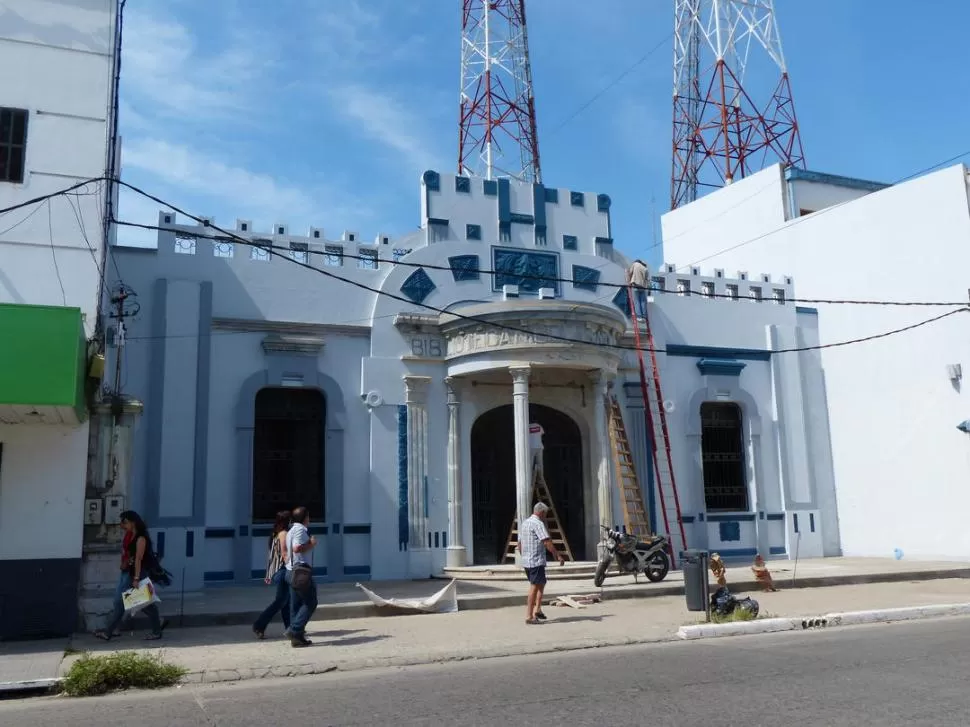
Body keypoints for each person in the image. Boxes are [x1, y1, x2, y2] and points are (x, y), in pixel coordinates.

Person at [93, 510, 167, 641]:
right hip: (127, 572)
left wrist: (136, 579)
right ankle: (156, 626)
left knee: (132, 602)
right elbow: (129, 555)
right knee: (135, 602)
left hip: (135, 574)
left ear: (133, 522)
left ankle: (109, 631)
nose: (122, 525)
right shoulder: (130, 535)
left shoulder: (141, 538)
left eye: (125, 522)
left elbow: (138, 559)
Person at [517, 502, 565, 625]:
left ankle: (538, 609)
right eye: (545, 513)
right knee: (534, 586)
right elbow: (546, 542)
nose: (546, 516)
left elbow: (519, 543)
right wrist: (557, 555)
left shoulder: (525, 523)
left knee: (541, 583)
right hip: (535, 561)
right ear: (542, 512)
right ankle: (529, 615)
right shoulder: (538, 524)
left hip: (528, 561)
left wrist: (524, 556)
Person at [252, 510, 292, 639]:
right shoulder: (284, 534)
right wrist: (293, 568)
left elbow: (271, 557)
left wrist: (269, 574)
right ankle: (259, 625)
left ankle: (290, 628)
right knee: (280, 601)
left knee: (286, 601)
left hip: (278, 571)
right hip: (283, 570)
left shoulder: (275, 534)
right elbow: (285, 554)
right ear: (288, 521)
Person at [284, 506, 318, 647]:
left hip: (291, 571)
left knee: (296, 606)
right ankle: (295, 630)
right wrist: (311, 544)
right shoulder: (299, 530)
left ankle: (297, 638)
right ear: (305, 518)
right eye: (308, 517)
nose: (309, 520)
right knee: (311, 602)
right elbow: (297, 548)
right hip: (300, 572)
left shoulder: (291, 530)